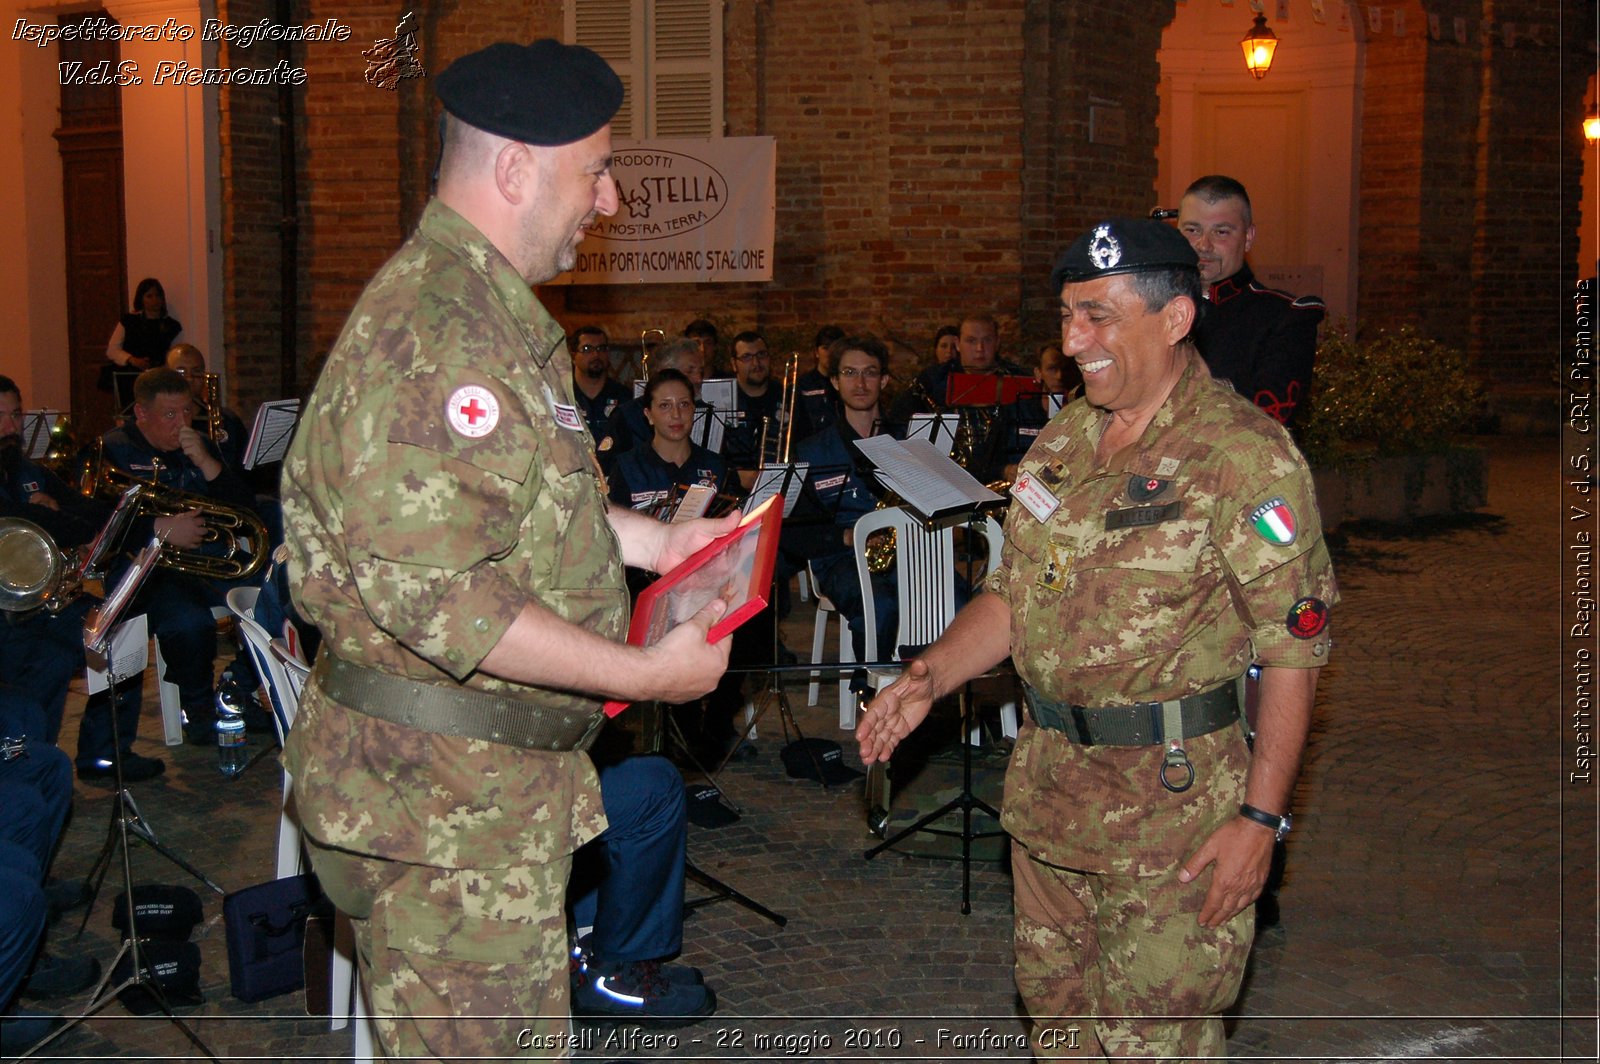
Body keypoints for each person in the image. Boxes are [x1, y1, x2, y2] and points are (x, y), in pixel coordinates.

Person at [279, 38, 736, 1060]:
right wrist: (644, 672)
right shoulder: (439, 332)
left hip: (477, 794)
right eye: (596, 170)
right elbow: (446, 600)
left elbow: (525, 506)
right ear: (516, 167)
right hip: (439, 806)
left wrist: (658, 540)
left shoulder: (483, 311)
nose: (609, 201)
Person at [856, 217, 1337, 1059]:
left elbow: (1292, 648)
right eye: (1069, 316)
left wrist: (1260, 820)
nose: (1074, 341)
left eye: (1099, 316)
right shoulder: (1068, 436)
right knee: (1062, 1038)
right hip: (1050, 810)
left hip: (1174, 824)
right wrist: (929, 676)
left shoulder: (1244, 460)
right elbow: (1012, 595)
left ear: (1176, 318)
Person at [0, 377, 161, 781]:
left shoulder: (24, 469)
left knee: (116, 636)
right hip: (6, 618)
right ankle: (27, 766)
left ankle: (104, 755)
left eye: (15, 413)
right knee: (48, 663)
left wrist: (138, 525)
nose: (9, 425)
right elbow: (28, 519)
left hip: (40, 606)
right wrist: (54, 517)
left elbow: (87, 511)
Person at [101, 368, 268, 742]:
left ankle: (236, 686)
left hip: (207, 560)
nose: (182, 423)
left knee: (276, 595)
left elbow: (246, 508)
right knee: (188, 622)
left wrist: (209, 465)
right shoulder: (113, 449)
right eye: (170, 415)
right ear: (141, 414)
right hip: (148, 571)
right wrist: (158, 529)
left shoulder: (199, 445)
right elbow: (96, 523)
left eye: (187, 413)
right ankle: (199, 711)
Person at [568, 751, 714, 1024]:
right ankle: (612, 972)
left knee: (600, 762)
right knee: (658, 787)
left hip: (503, 766)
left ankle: (592, 950)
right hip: (503, 783)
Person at [1177, 175, 1326, 434]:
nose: (1203, 245)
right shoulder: (1148, 307)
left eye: (1221, 232)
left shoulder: (1287, 317)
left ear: (1248, 237)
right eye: (1192, 230)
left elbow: (1265, 423)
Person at [785, 335, 900, 661]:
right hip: (841, 557)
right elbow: (793, 530)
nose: (860, 383)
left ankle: (936, 691)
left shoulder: (908, 440)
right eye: (849, 373)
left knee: (956, 597)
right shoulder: (810, 451)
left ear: (885, 380)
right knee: (879, 604)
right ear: (834, 381)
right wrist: (847, 536)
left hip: (905, 551)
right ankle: (874, 691)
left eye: (870, 373)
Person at [889, 313, 1027, 482]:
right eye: (971, 341)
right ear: (958, 344)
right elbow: (899, 422)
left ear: (997, 343)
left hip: (1004, 480)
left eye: (987, 340)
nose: (979, 348)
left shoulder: (1017, 379)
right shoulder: (933, 380)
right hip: (947, 479)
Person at [607, 370, 734, 514]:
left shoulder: (716, 465)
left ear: (694, 409)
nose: (676, 414)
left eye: (684, 404)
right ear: (649, 415)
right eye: (665, 406)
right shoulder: (627, 467)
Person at [598, 337, 705, 468]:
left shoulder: (702, 410)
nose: (698, 379)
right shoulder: (627, 416)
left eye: (700, 371)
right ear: (665, 372)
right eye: (689, 371)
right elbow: (607, 465)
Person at [1000, 342, 1081, 480]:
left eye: (1065, 370)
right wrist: (1005, 470)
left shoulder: (1082, 413)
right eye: (1052, 369)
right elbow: (990, 459)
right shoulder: (1015, 411)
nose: (1059, 376)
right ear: (1039, 373)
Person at [164, 343, 249, 472]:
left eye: (196, 371)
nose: (189, 378)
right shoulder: (158, 421)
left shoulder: (227, 420)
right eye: (181, 371)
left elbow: (245, 470)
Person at [722, 330, 784, 482]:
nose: (756, 363)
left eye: (761, 355)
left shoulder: (786, 395)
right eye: (747, 357)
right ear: (734, 364)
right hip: (731, 489)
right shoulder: (721, 398)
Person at [104, 278, 181, 377]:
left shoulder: (171, 325)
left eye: (158, 295)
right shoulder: (129, 321)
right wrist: (132, 360)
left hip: (158, 376)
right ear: (141, 299)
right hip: (129, 375)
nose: (155, 300)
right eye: (149, 296)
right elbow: (112, 350)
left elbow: (174, 355)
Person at [568, 325, 630, 444]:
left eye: (601, 348)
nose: (596, 355)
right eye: (587, 349)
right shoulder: (563, 396)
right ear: (573, 356)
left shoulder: (624, 397)